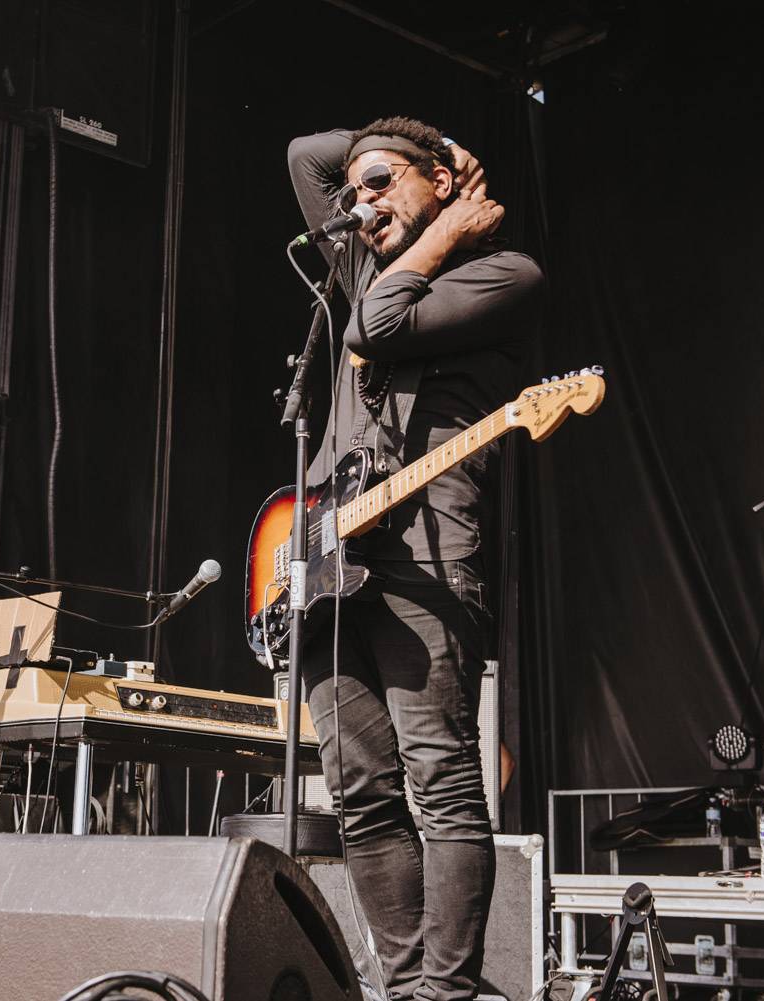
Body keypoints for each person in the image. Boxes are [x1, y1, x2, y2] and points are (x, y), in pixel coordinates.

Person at [286, 118, 544, 1001]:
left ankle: (448, 990)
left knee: (439, 781)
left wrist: (443, 230)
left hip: (428, 561)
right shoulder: (368, 259)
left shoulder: (502, 274)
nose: (360, 202)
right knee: (360, 792)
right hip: (327, 562)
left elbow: (380, 327)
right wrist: (398, 148)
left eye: (384, 182)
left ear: (442, 184)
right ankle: (400, 987)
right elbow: (303, 156)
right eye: (354, 193)